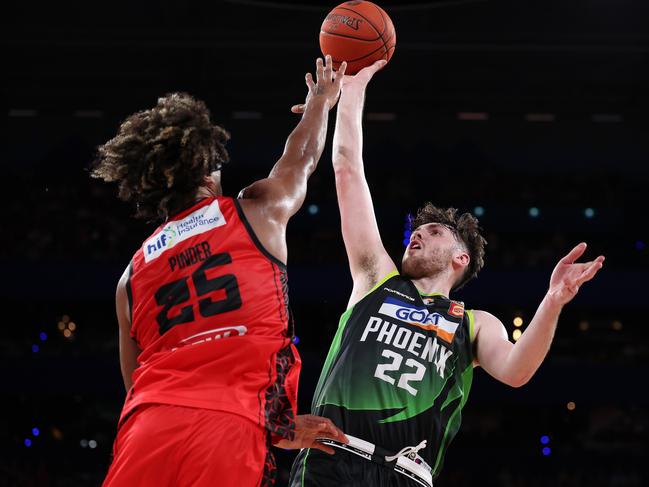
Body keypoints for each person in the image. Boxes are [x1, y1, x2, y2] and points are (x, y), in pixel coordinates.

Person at [288, 61, 606, 487]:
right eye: (415, 232)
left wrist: (553, 301)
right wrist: (355, 87)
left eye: (433, 232)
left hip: (407, 474)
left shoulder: (472, 323)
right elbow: (347, 170)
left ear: (460, 258)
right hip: (333, 458)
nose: (417, 236)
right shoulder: (375, 279)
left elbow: (516, 371)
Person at [92, 56, 349, 487]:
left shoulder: (130, 279)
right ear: (208, 172)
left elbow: (135, 383)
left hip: (145, 432)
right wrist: (321, 102)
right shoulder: (255, 211)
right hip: (228, 429)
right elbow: (300, 158)